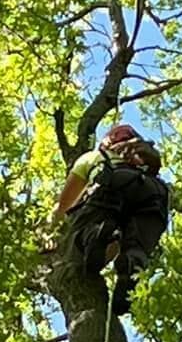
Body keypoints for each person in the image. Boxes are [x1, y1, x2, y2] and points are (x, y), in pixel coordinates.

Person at [54, 121, 170, 315]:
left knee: (83, 226)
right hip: (153, 192)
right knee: (138, 241)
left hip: (114, 182)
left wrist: (52, 227)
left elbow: (63, 205)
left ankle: (95, 234)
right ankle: (133, 264)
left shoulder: (94, 157)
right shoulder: (141, 156)